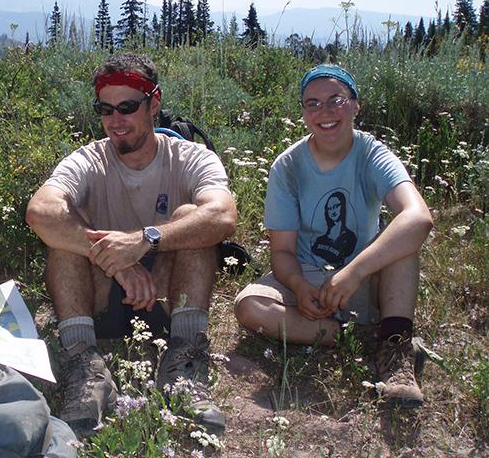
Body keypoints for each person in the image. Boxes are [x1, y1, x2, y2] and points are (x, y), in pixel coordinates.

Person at [26, 53, 237, 435]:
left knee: (193, 217)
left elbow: (222, 216)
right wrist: (119, 262)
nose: (116, 121)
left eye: (127, 107)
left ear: (154, 104)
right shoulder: (89, 159)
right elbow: (40, 211)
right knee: (64, 234)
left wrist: (145, 241)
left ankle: (184, 362)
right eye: (105, 109)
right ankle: (84, 364)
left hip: (168, 296)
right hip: (104, 295)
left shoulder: (190, 158)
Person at [234, 64, 433, 408]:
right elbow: (282, 252)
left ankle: (396, 352)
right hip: (309, 276)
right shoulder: (288, 166)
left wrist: (353, 273)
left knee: (403, 239)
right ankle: (360, 337)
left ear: (355, 106)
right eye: (312, 104)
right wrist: (298, 286)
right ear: (303, 113)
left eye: (335, 100)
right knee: (250, 306)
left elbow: (419, 217)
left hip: (363, 275)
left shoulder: (372, 154)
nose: (324, 112)